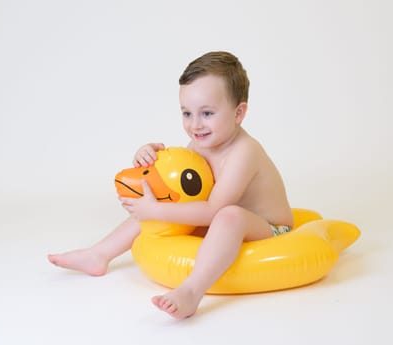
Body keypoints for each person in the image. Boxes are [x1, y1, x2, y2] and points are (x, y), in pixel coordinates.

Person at [48, 51, 293, 319]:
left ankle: (191, 292)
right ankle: (99, 254)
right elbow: (180, 191)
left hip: (270, 229)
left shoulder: (244, 152)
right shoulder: (200, 144)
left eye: (207, 113)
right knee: (162, 203)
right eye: (187, 113)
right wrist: (149, 159)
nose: (195, 125)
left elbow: (213, 209)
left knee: (227, 215)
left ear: (239, 113)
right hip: (221, 220)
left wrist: (157, 212)